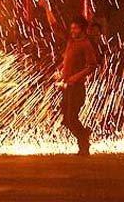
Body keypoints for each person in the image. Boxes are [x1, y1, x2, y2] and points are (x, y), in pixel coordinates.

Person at [48, 13, 98, 156]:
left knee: (71, 118)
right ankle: (84, 135)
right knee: (66, 119)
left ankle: (84, 143)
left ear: (82, 29)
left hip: (77, 88)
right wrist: (47, 8)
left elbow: (91, 65)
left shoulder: (86, 44)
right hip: (68, 87)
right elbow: (55, 27)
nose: (72, 31)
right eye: (72, 28)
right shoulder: (71, 40)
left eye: (75, 28)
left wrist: (75, 78)